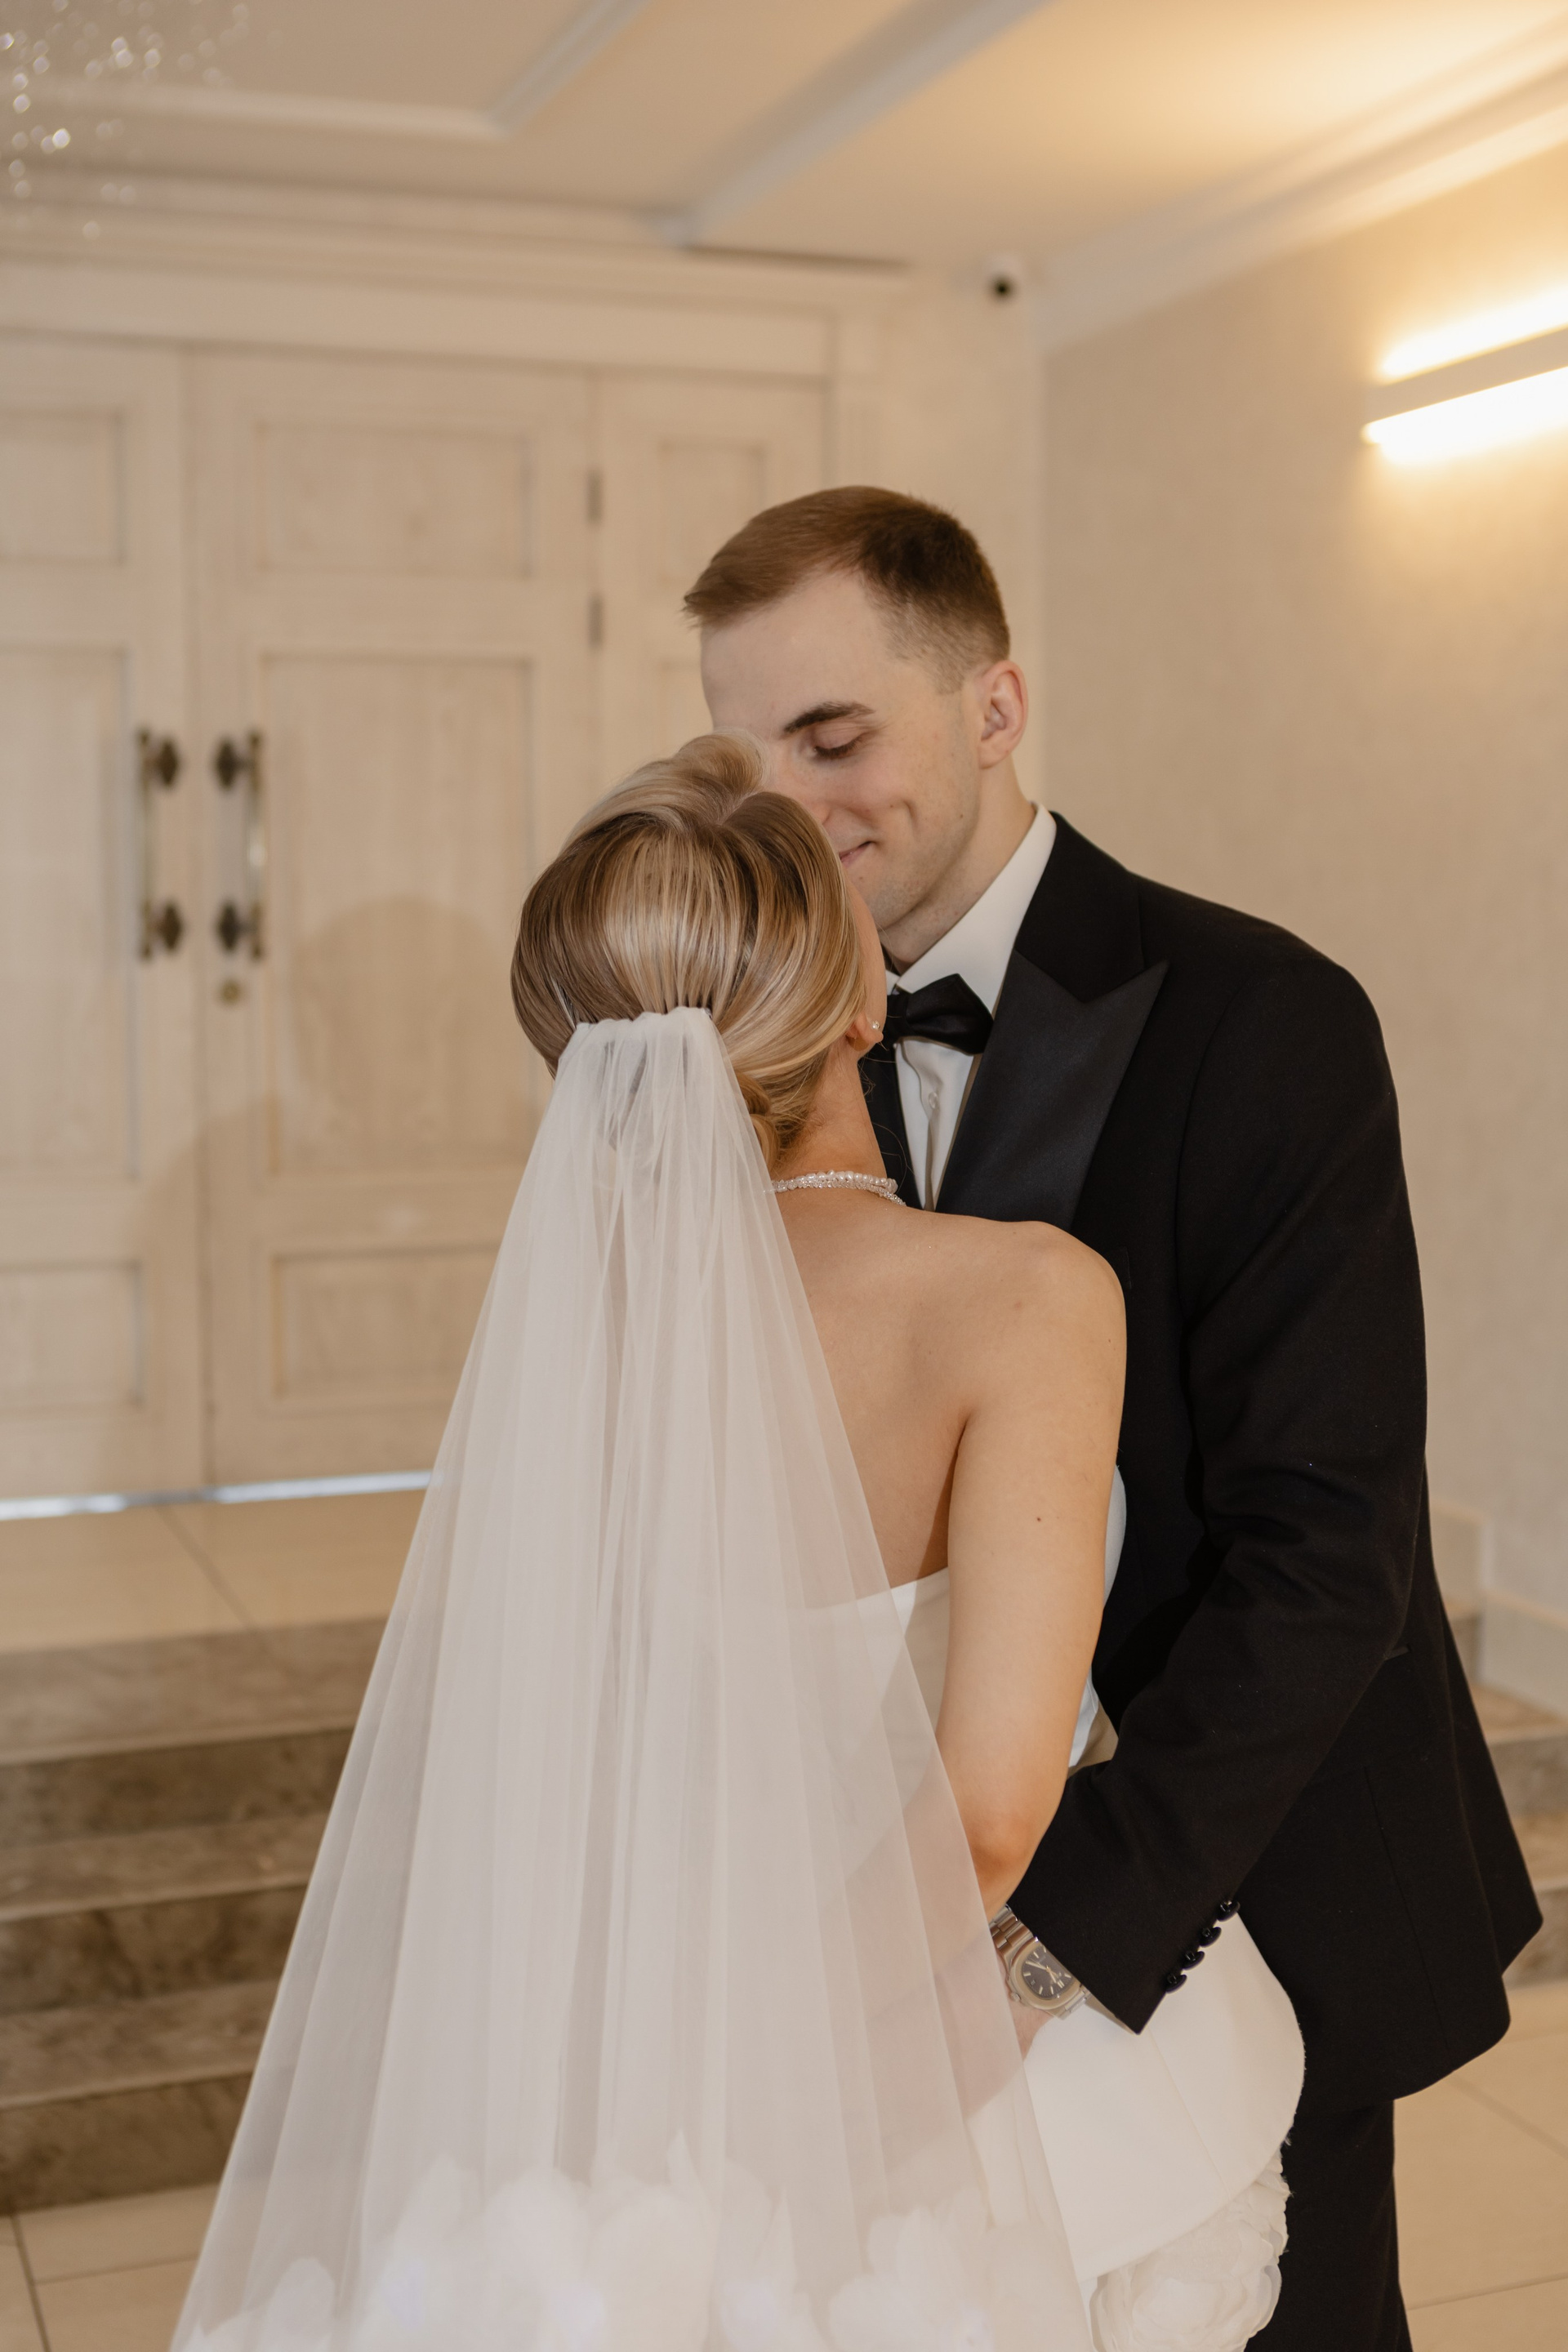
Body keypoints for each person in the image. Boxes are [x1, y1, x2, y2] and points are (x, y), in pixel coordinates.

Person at [174, 738, 1296, 2352]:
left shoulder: (581, 1342)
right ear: (861, 1006)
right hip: (985, 2058)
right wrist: (815, 2068)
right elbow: (990, 1814)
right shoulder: (1024, 1298)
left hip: (678, 2042)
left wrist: (716, 2069)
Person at [688, 488, 1543, 2352]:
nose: (794, 810)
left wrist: (1039, 1944)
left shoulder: (1268, 1021)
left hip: (1239, 1875)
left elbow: (1329, 1558)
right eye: (750, 761)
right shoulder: (738, 1053)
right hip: (894, 1900)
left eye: (835, 737)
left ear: (995, 706)